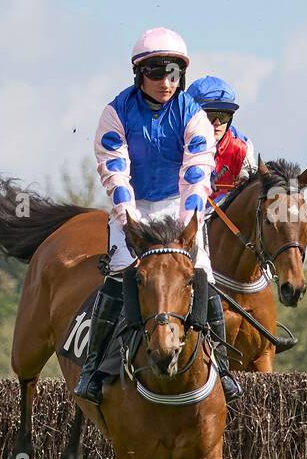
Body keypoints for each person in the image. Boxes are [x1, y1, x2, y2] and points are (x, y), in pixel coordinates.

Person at [72, 27, 242, 403]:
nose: (165, 82)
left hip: (178, 206)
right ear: (139, 74)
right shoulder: (115, 113)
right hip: (132, 208)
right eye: (156, 73)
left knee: (203, 274)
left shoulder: (193, 115)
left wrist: (189, 222)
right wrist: (130, 222)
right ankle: (93, 369)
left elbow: (196, 171)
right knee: (120, 273)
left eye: (174, 74)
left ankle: (224, 369)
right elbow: (115, 170)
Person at [186, 75, 258, 208]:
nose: (218, 123)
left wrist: (244, 179)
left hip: (220, 209)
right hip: (180, 207)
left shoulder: (242, 148)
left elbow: (253, 187)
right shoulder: (175, 141)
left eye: (224, 116)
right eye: (210, 116)